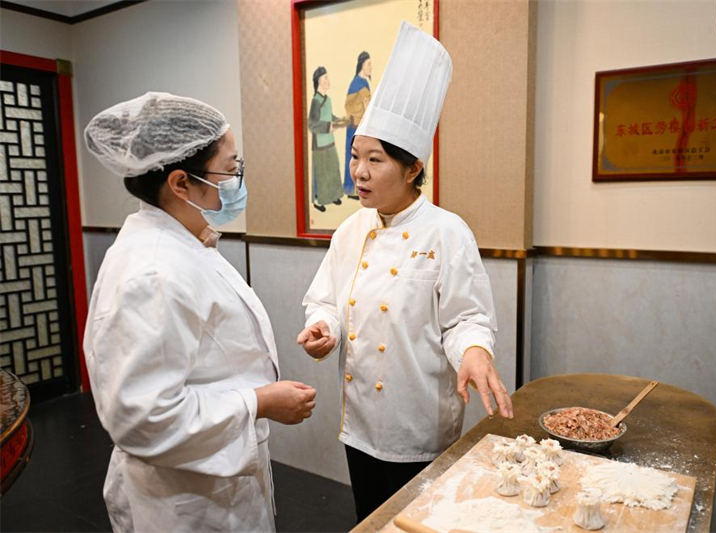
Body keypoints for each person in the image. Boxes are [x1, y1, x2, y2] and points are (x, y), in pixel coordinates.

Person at [297, 23, 513, 522]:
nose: (360, 172)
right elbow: (326, 298)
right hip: (360, 426)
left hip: (419, 429)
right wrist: (324, 327)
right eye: (355, 156)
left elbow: (465, 320)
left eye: (375, 160)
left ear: (413, 168)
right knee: (370, 520)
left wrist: (476, 351)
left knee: (420, 525)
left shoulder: (447, 231)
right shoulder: (350, 230)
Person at [83, 92, 316, 532]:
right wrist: (260, 401)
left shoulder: (188, 242)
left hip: (215, 480)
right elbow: (143, 418)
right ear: (180, 183)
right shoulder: (152, 270)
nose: (236, 180)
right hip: (184, 501)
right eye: (229, 169)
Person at [308, 66, 345, 212]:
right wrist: (328, 126)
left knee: (333, 169)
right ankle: (320, 200)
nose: (328, 81)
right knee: (322, 173)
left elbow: (329, 116)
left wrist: (340, 121)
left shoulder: (328, 99)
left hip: (330, 141)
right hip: (320, 144)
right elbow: (312, 124)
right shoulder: (315, 101)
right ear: (318, 81)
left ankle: (333, 195)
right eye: (325, 78)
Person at [342, 51, 372, 199]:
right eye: (368, 64)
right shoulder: (356, 83)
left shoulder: (365, 82)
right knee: (353, 157)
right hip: (354, 126)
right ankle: (351, 190)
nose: (370, 67)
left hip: (362, 126)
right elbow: (350, 106)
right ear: (362, 65)